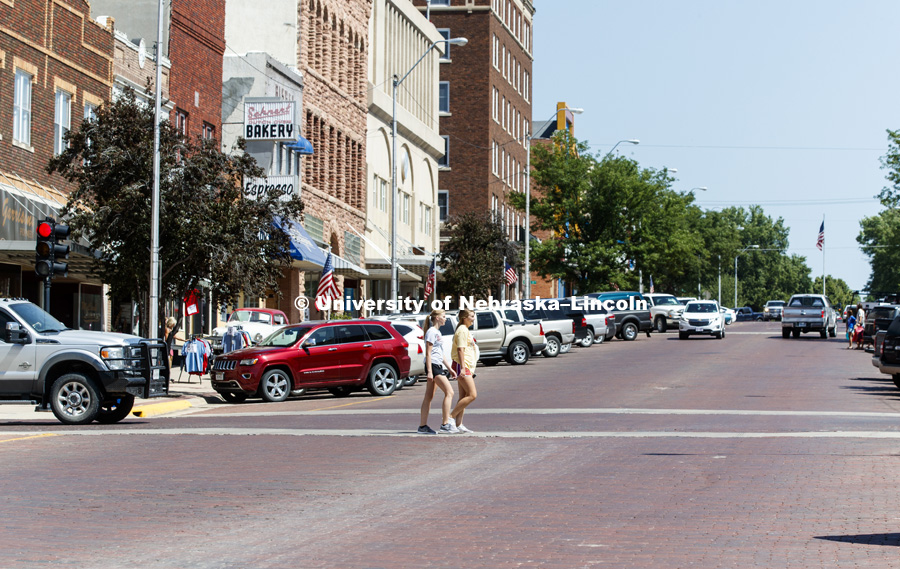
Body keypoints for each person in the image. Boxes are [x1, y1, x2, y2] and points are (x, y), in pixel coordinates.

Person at [417, 309, 457, 435]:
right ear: (437, 318)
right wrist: (429, 371)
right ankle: (445, 424)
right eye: (444, 316)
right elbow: (428, 353)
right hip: (433, 366)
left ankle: (422, 427)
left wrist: (450, 368)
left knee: (429, 397)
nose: (445, 319)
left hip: (437, 365)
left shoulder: (437, 332)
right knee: (449, 392)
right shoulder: (431, 332)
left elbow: (439, 353)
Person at [448, 309, 478, 434]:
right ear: (465, 317)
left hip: (466, 366)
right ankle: (449, 418)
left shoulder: (464, 329)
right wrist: (463, 368)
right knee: (472, 395)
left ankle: (458, 424)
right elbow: (460, 350)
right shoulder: (462, 330)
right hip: (462, 366)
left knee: (463, 397)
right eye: (471, 316)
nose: (473, 318)